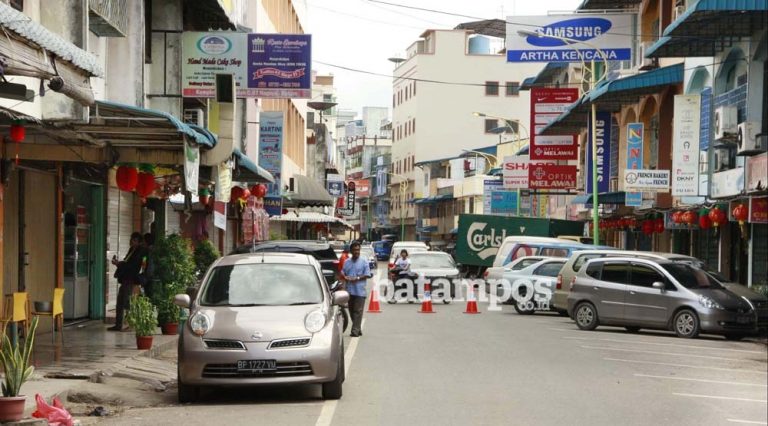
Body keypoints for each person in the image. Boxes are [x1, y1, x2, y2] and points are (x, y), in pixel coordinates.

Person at [109, 232, 147, 331]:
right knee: (120, 302)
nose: (132, 242)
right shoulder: (132, 250)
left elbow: (132, 266)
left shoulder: (140, 251)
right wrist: (119, 263)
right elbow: (126, 262)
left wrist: (119, 264)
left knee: (127, 302)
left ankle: (130, 324)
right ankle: (118, 325)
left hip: (131, 279)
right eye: (131, 239)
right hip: (125, 278)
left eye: (134, 240)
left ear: (139, 242)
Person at [340, 241, 372, 337]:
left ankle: (354, 331)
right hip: (349, 291)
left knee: (357, 311)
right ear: (351, 251)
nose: (356, 252)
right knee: (351, 311)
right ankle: (358, 328)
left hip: (359, 291)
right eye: (354, 250)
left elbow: (367, 274)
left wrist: (357, 278)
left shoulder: (364, 261)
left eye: (358, 250)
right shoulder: (347, 262)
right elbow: (342, 272)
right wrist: (344, 277)